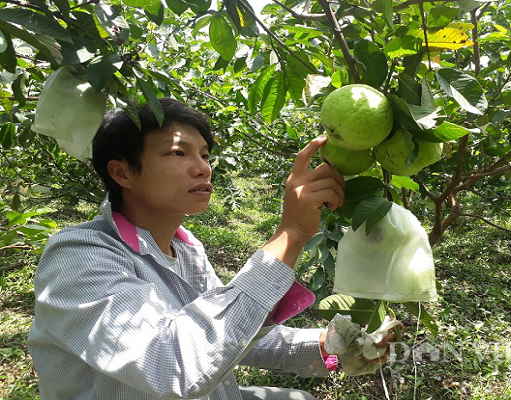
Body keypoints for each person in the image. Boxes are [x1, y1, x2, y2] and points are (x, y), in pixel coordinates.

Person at [28, 98, 396, 400]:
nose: (202, 168)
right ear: (122, 173)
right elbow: (175, 366)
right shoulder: (78, 256)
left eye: (204, 154)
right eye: (178, 153)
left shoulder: (187, 250)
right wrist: (292, 233)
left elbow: (226, 335)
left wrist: (331, 346)